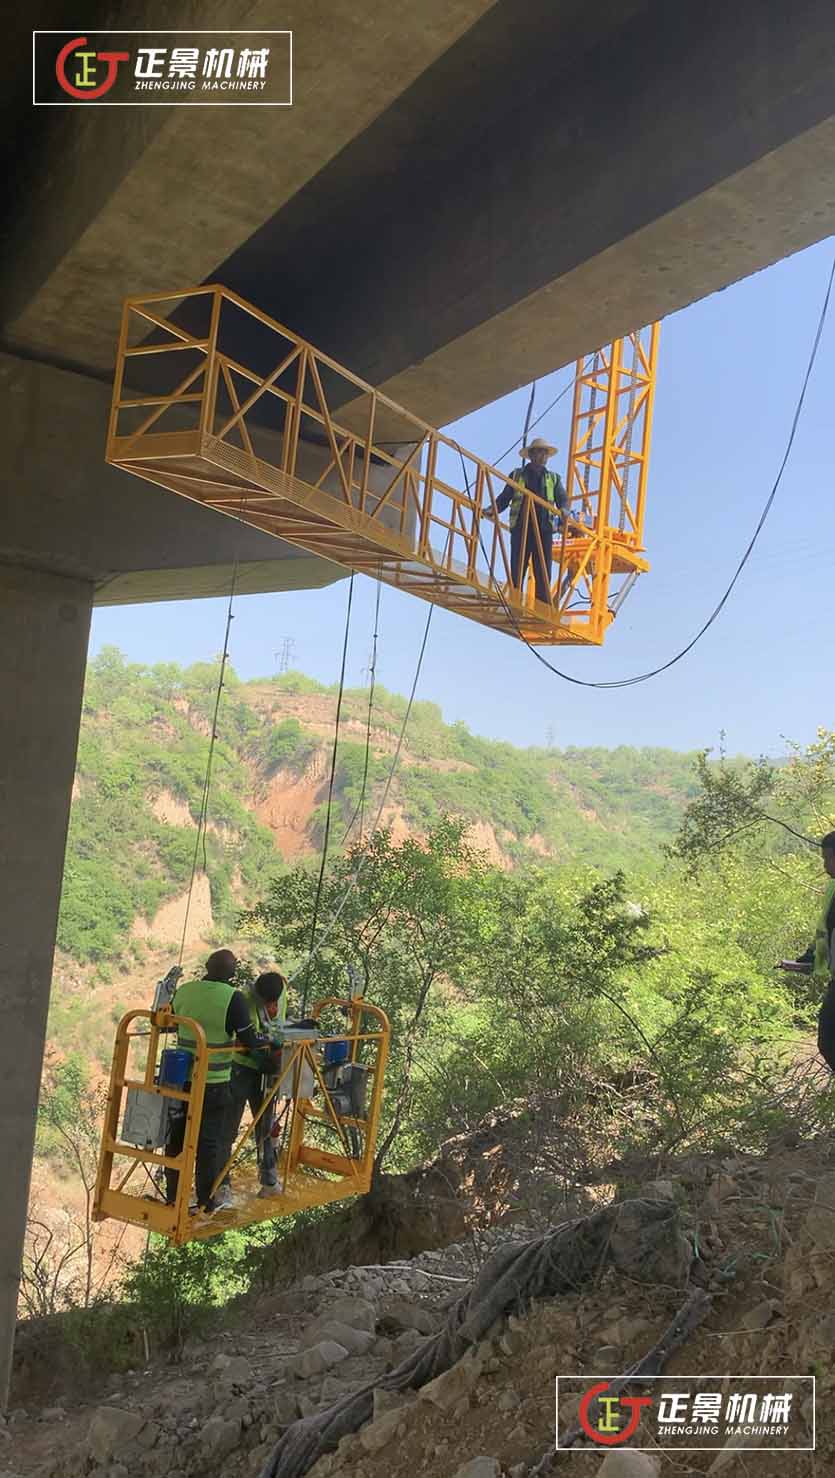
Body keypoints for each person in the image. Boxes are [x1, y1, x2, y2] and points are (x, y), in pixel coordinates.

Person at [164, 948, 272, 1214]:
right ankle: (205, 1200)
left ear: (206, 966)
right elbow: (248, 1040)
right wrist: (269, 1041)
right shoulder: (232, 998)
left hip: (180, 1080)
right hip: (213, 1082)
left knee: (176, 1139)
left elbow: (169, 1024)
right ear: (233, 974)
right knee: (209, 1143)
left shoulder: (185, 991)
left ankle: (173, 1197)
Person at [222, 970, 288, 1198]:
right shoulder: (246, 999)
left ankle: (269, 1180)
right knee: (229, 1125)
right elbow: (246, 1038)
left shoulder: (282, 992)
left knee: (266, 1124)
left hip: (268, 1066)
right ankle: (222, 1184)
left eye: (274, 1002)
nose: (271, 1005)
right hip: (243, 1067)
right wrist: (261, 1057)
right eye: (267, 1002)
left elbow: (279, 1027)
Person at [484, 437, 568, 604]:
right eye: (539, 452)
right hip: (522, 528)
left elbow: (563, 499)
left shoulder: (553, 479)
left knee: (543, 572)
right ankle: (514, 602)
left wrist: (565, 512)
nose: (542, 456)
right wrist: (492, 510)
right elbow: (504, 498)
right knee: (517, 568)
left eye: (545, 453)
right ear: (531, 455)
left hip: (543, 530)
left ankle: (542, 607)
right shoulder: (518, 475)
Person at [778, 832, 835, 1070]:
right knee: (828, 1041)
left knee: (829, 1040)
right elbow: (825, 929)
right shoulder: (833, 889)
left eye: (827, 859)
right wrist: (809, 958)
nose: (824, 865)